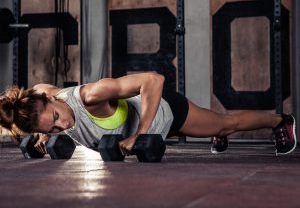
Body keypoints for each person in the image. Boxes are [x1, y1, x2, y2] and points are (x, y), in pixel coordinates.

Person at [0, 72, 297, 156]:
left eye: (55, 118)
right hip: (153, 127)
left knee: (226, 124)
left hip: (164, 110)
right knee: (213, 127)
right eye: (53, 130)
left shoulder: (90, 96)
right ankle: (212, 131)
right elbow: (39, 87)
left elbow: (153, 80)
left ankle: (281, 121)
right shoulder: (45, 97)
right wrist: (41, 130)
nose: (62, 126)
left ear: (49, 101)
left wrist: (139, 135)